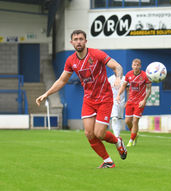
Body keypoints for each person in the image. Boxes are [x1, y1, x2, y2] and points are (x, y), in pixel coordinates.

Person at [36, 30, 127, 169]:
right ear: (71, 42)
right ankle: (108, 161)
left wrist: (118, 77)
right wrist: (46, 94)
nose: (78, 41)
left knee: (99, 133)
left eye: (81, 39)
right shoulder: (71, 61)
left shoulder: (96, 54)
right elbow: (62, 80)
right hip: (89, 100)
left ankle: (117, 142)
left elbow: (117, 66)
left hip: (104, 98)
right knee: (89, 133)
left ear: (85, 41)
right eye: (75, 39)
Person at [117, 58, 152, 147]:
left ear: (140, 66)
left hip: (139, 102)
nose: (136, 67)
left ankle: (131, 140)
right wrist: (118, 95)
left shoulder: (145, 75)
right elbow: (124, 86)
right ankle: (135, 133)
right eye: (134, 65)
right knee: (128, 121)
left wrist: (144, 100)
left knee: (135, 121)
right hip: (130, 101)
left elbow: (149, 89)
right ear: (132, 66)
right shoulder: (128, 74)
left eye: (137, 65)